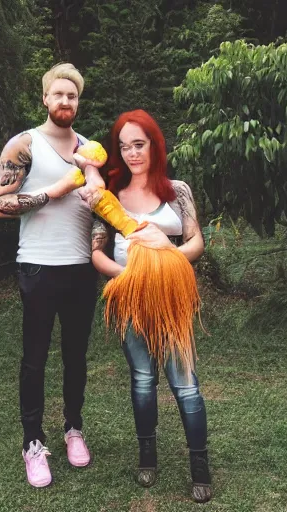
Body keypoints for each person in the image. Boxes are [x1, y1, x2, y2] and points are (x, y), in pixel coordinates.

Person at [0, 63, 104, 488]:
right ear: (45, 99)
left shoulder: (90, 150)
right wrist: (51, 192)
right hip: (37, 266)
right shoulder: (25, 145)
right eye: (58, 95)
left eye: (72, 96)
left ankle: (74, 428)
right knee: (34, 360)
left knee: (76, 356)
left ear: (78, 101)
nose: (65, 101)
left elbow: (99, 211)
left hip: (80, 268)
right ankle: (32, 442)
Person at [91, 109, 212, 503]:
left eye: (138, 145)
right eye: (123, 147)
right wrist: (124, 278)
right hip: (129, 298)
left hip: (172, 299)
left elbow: (195, 242)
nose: (131, 154)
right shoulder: (110, 195)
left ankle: (200, 465)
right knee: (143, 380)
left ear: (154, 145)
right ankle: (148, 457)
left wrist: (169, 248)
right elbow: (96, 252)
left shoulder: (177, 191)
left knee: (185, 384)